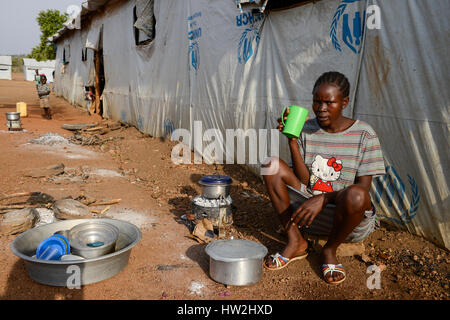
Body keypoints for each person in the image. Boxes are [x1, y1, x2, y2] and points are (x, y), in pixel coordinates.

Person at [262, 71, 386, 284]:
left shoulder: (365, 134)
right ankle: (295, 241)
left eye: (329, 102)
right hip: (306, 215)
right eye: (317, 102)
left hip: (346, 221)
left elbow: (362, 191)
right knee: (270, 165)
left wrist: (323, 199)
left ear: (344, 102)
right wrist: (292, 141)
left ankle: (329, 250)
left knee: (356, 195)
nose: (321, 109)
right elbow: (304, 180)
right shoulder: (306, 128)